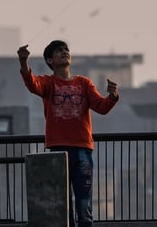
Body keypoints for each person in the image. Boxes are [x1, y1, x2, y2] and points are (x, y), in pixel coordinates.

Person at [18, 40, 119, 227]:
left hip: (82, 150)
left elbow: (101, 107)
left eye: (66, 49)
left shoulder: (84, 83)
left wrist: (112, 97)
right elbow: (32, 84)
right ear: (50, 60)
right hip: (58, 151)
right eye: (59, 51)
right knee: (63, 206)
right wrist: (23, 62)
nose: (64, 52)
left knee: (84, 204)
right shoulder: (48, 83)